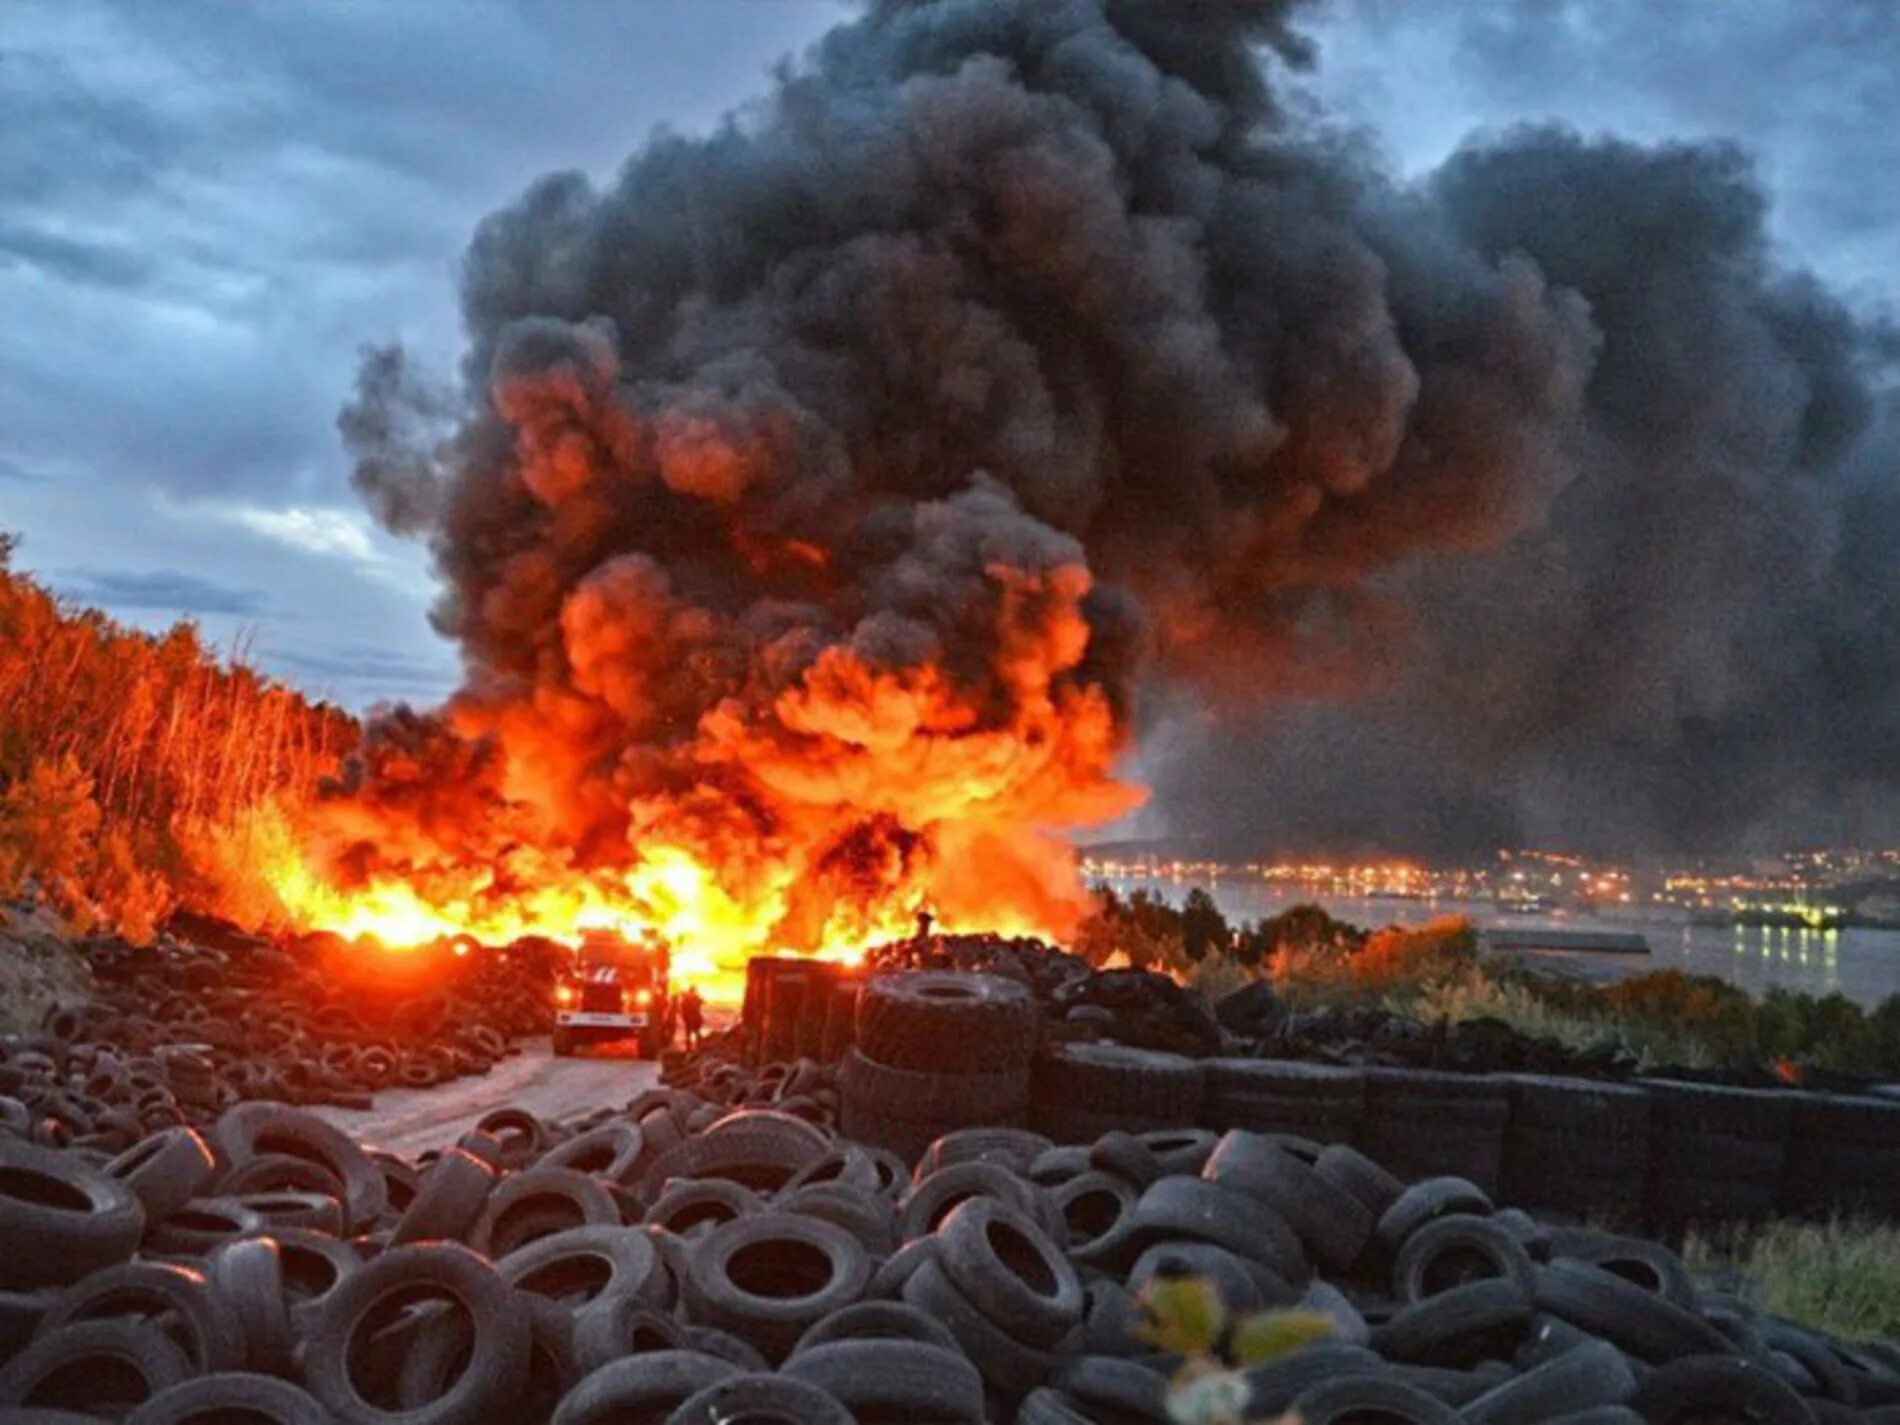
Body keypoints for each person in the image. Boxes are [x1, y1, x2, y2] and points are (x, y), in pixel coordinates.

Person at [679, 985, 704, 1051]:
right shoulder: (689, 999)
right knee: (690, 1034)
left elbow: (701, 1001)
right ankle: (691, 1048)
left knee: (694, 1033)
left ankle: (697, 1047)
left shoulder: (694, 998)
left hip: (694, 1018)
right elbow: (683, 1008)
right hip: (690, 1018)